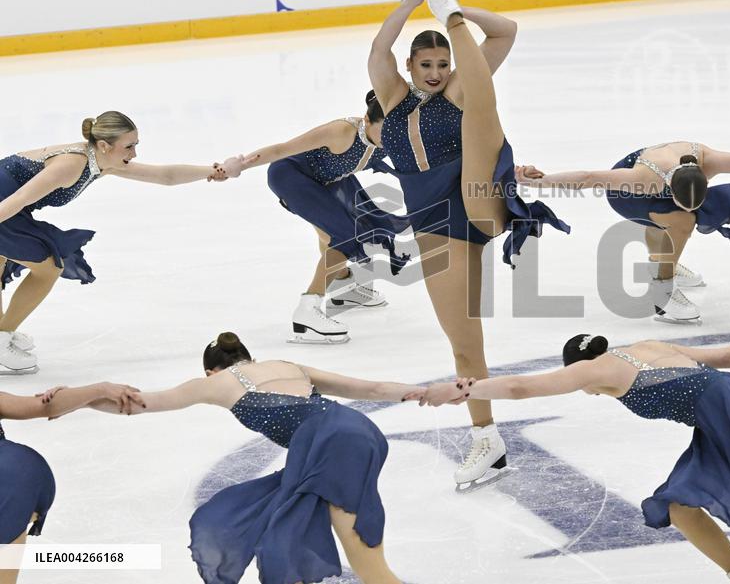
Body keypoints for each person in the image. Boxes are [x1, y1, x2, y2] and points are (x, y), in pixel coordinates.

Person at [419, 333, 730, 583]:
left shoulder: (596, 369)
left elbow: (524, 388)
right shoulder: (647, 346)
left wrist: (464, 390)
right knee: (678, 505)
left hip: (725, 408)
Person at [367, 0, 569, 489]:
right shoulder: (392, 97)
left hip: (474, 194)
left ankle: (453, 18)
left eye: (442, 64)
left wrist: (453, 14)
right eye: (426, 65)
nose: (435, 73)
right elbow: (379, 47)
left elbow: (506, 32)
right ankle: (487, 437)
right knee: (463, 344)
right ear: (410, 68)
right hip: (434, 223)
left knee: (480, 107)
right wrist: (412, 4)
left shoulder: (457, 87)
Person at [93, 331, 432, 584]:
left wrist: (81, 397)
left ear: (212, 371)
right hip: (353, 430)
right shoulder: (287, 365)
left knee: (370, 570)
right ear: (250, 359)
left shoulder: (214, 383)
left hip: (331, 445)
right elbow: (371, 390)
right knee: (284, 536)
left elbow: (138, 404)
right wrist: (424, 393)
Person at [0, 111, 226, 372]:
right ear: (105, 146)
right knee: (49, 266)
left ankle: (2, 332)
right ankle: (3, 336)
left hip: (10, 200)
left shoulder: (103, 163)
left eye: (135, 145)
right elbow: (19, 200)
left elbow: (164, 175)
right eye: (129, 146)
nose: (134, 154)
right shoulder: (72, 164)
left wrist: (210, 171)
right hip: (6, 202)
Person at [517, 141, 730, 323]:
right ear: (669, 188)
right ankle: (663, 290)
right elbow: (589, 177)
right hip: (627, 195)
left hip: (670, 190)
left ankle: (662, 262)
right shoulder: (644, 178)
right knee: (682, 221)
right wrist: (538, 182)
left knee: (681, 217)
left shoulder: (709, 161)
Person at [219, 93, 410, 344]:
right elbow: (282, 149)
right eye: (384, 131)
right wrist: (240, 164)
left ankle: (343, 286)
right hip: (291, 176)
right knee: (347, 234)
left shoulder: (394, 139)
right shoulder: (342, 132)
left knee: (336, 232)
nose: (390, 139)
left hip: (329, 179)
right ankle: (307, 310)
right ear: (367, 120)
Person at [0, 382, 141, 584]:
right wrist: (98, 391)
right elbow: (46, 405)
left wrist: (99, 391)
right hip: (22, 476)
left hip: (14, 481)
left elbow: (46, 405)